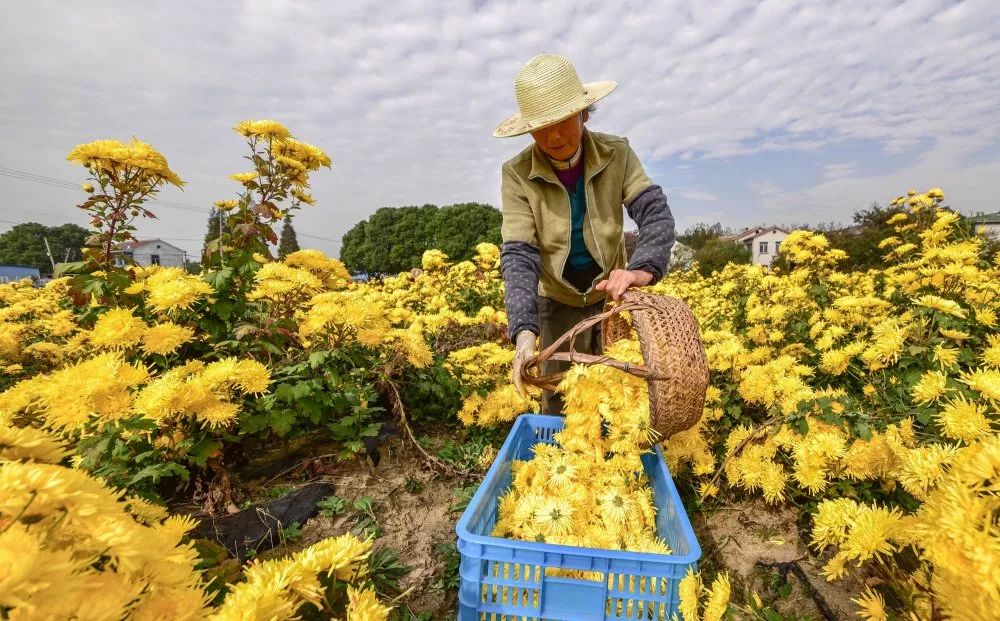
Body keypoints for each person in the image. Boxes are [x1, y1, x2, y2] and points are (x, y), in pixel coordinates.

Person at [493, 53, 676, 414]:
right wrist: (525, 331)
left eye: (564, 121)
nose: (555, 135)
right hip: (555, 300)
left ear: (584, 113)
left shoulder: (616, 153)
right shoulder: (516, 174)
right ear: (528, 129)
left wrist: (641, 268)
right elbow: (519, 253)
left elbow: (654, 214)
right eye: (542, 126)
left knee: (616, 395)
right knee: (559, 401)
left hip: (610, 297)